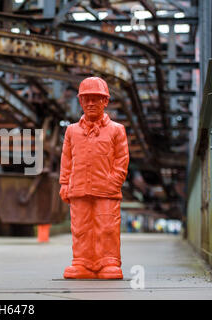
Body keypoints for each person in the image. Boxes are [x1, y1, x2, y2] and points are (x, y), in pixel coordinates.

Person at [59, 77, 129, 279]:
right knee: (80, 228)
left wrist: (113, 182)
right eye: (86, 99)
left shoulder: (117, 130)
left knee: (107, 226)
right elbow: (67, 159)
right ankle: (82, 263)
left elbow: (122, 159)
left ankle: (108, 263)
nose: (90, 103)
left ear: (105, 101)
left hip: (106, 190)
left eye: (96, 99)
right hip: (79, 188)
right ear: (80, 101)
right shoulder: (72, 131)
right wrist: (65, 183)